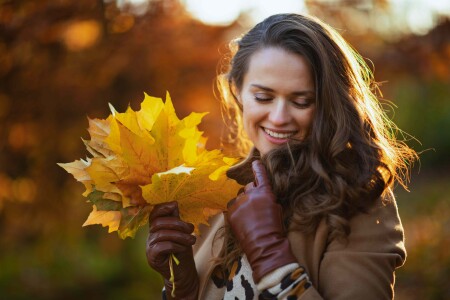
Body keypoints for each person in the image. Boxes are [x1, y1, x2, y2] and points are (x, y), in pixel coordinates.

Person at [146, 13, 417, 299]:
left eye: (301, 101)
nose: (278, 118)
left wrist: (272, 256)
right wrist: (182, 288)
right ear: (238, 92)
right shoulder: (213, 193)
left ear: (329, 104)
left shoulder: (358, 200)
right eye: (263, 97)